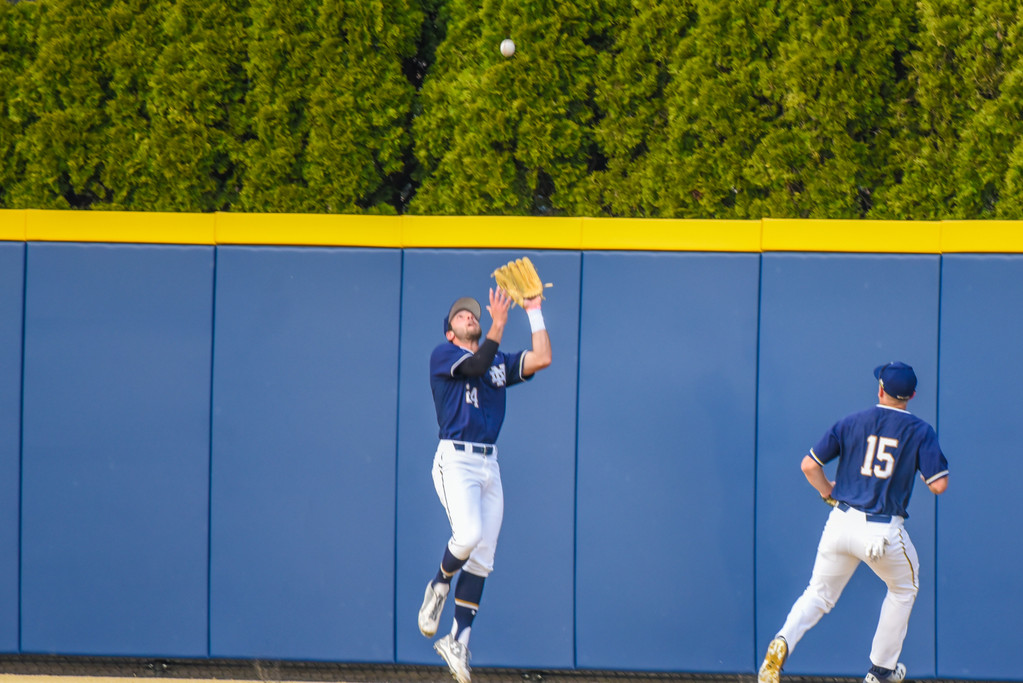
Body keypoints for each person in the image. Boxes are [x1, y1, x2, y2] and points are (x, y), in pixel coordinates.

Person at [758, 362, 949, 683]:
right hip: (882, 530)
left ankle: (782, 642)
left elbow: (809, 466)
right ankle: (881, 671)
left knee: (818, 594)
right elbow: (938, 485)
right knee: (904, 588)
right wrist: (922, 471)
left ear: (880, 389)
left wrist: (827, 492)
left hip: (841, 521)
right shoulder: (920, 431)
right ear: (912, 395)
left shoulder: (852, 421)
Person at [419, 287, 552, 683]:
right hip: (456, 459)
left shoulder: (497, 362)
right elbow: (475, 365)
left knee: (482, 559)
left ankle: (457, 640)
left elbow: (542, 357)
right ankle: (439, 583)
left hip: (488, 463)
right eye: (461, 316)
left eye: (473, 314)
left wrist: (533, 311)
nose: (469, 316)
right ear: (450, 332)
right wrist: (499, 323)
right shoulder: (444, 355)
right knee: (469, 534)